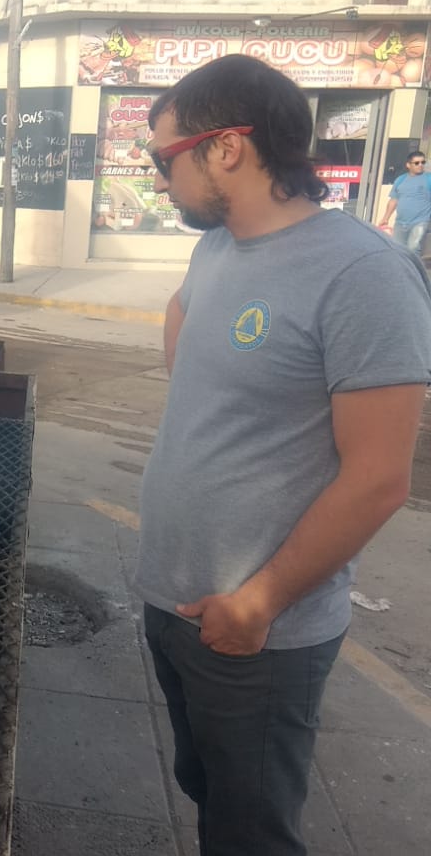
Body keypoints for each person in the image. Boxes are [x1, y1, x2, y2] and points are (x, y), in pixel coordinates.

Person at [137, 54, 431, 856]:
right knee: (208, 792)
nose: (159, 179)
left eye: (164, 158)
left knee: (253, 833)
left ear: (227, 147)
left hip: (257, 630)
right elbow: (190, 347)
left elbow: (378, 480)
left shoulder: (365, 273)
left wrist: (259, 600)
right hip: (173, 601)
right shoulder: (217, 249)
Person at [378, 149, 431, 254]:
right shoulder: (400, 180)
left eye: (423, 162)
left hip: (420, 222)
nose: (420, 165)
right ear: (408, 165)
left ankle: (412, 270)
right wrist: (385, 218)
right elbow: (394, 200)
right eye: (416, 163)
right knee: (398, 251)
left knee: (413, 249)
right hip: (400, 223)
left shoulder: (428, 178)